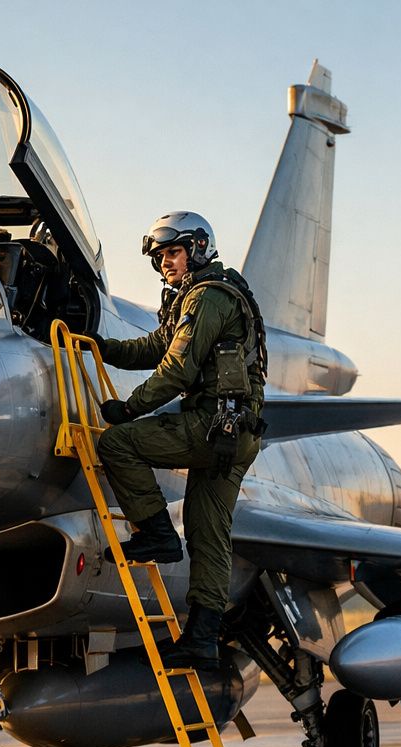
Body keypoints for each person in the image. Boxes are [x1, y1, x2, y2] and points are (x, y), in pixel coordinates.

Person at [92, 211, 267, 669]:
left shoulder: (207, 298)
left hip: (211, 426)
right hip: (235, 433)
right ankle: (202, 639)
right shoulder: (198, 297)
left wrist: (127, 410)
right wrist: (101, 346)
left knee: (116, 444)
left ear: (198, 249)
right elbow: (155, 347)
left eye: (174, 252)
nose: (167, 262)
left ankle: (156, 535)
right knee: (209, 535)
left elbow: (176, 370)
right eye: (162, 256)